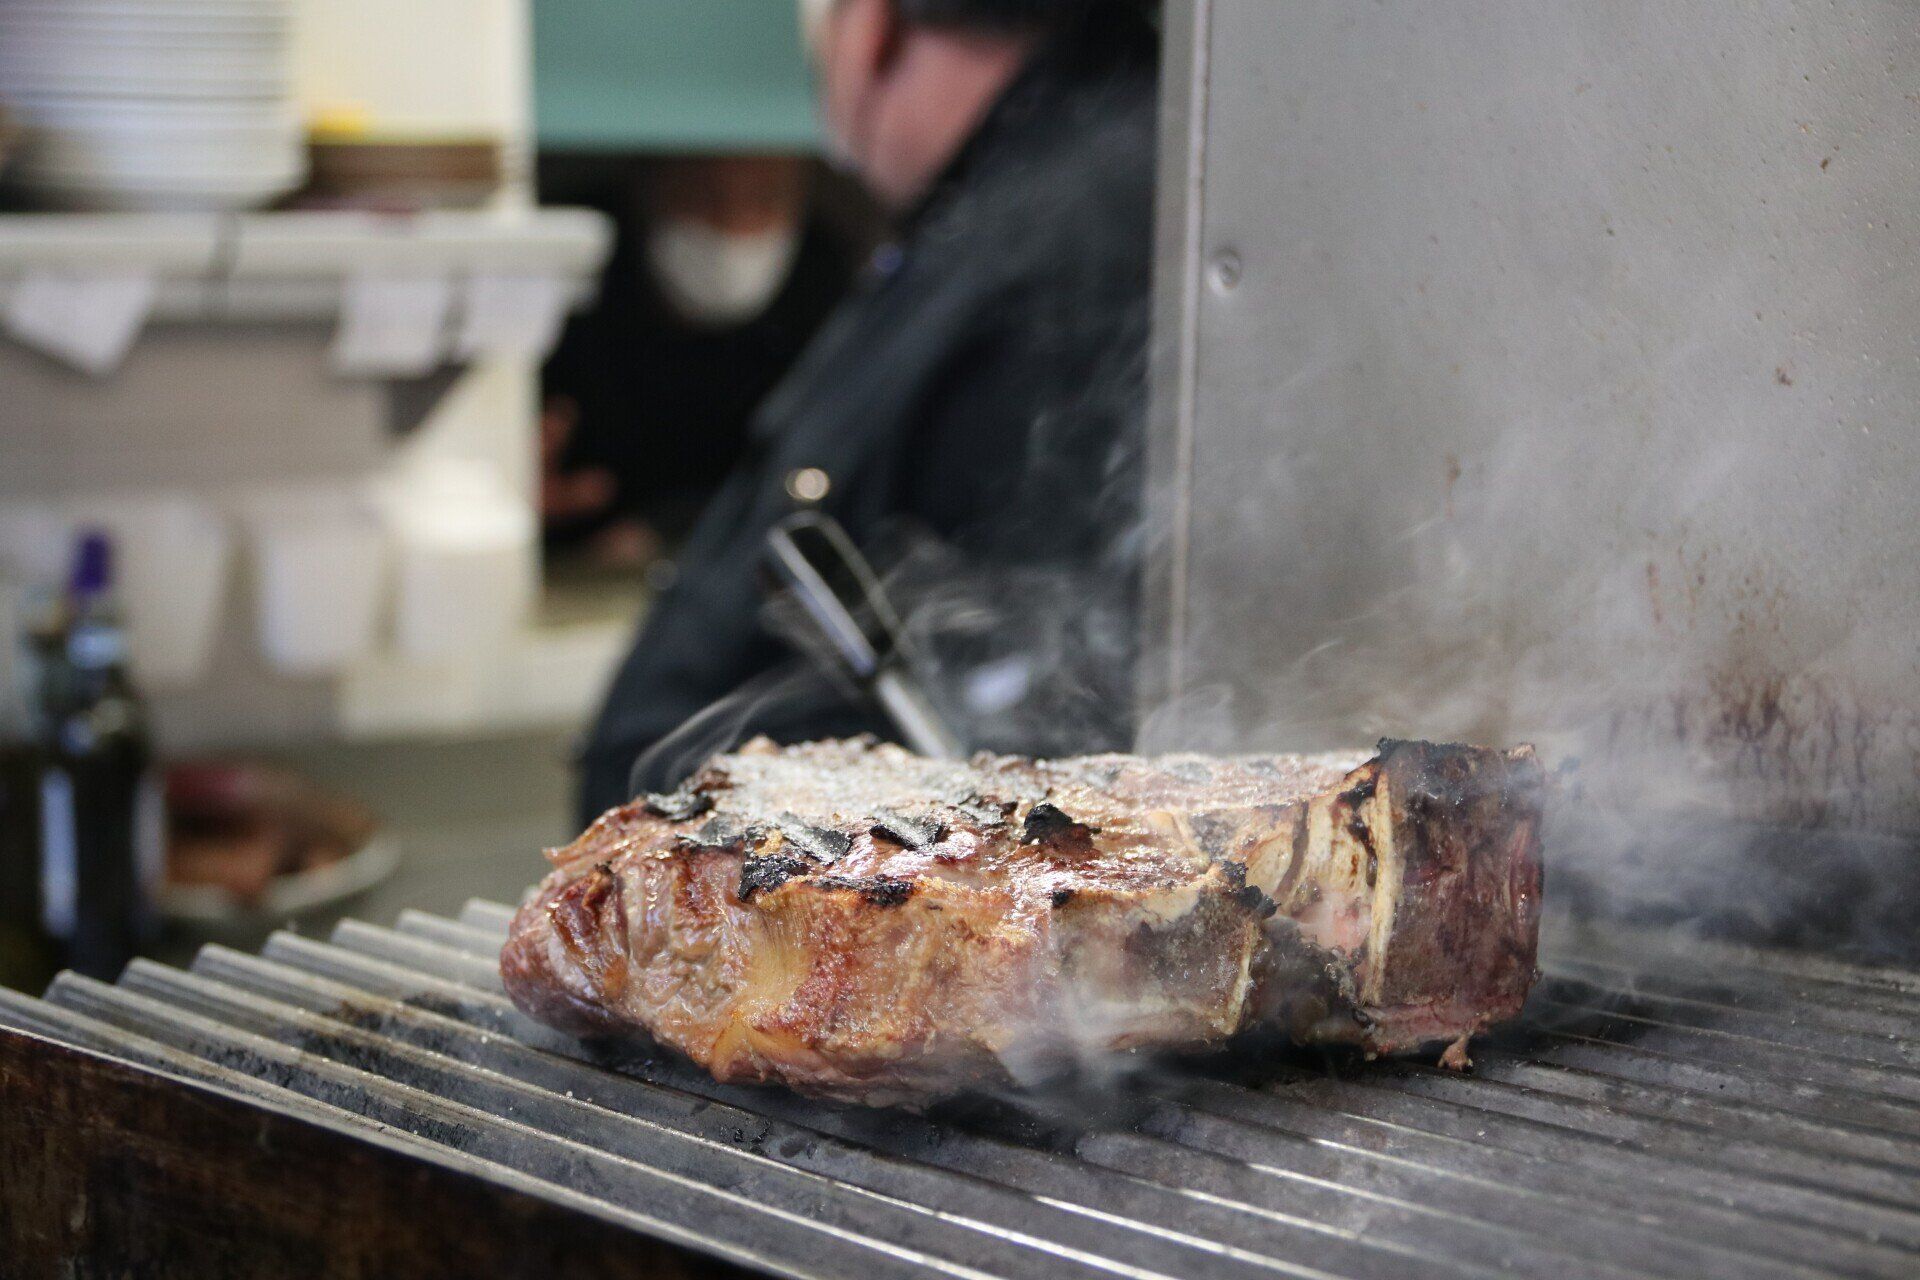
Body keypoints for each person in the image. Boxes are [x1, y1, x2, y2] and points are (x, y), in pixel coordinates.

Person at [578, 0, 1159, 820]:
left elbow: (1032, 678)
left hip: (854, 874)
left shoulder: (1068, 228)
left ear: (873, 26)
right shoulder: (1036, 188)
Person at [540, 154, 861, 565]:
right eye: (703, 196)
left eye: (764, 198)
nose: (732, 223)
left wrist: (668, 528)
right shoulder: (572, 281)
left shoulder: (829, 290)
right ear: (648, 184)